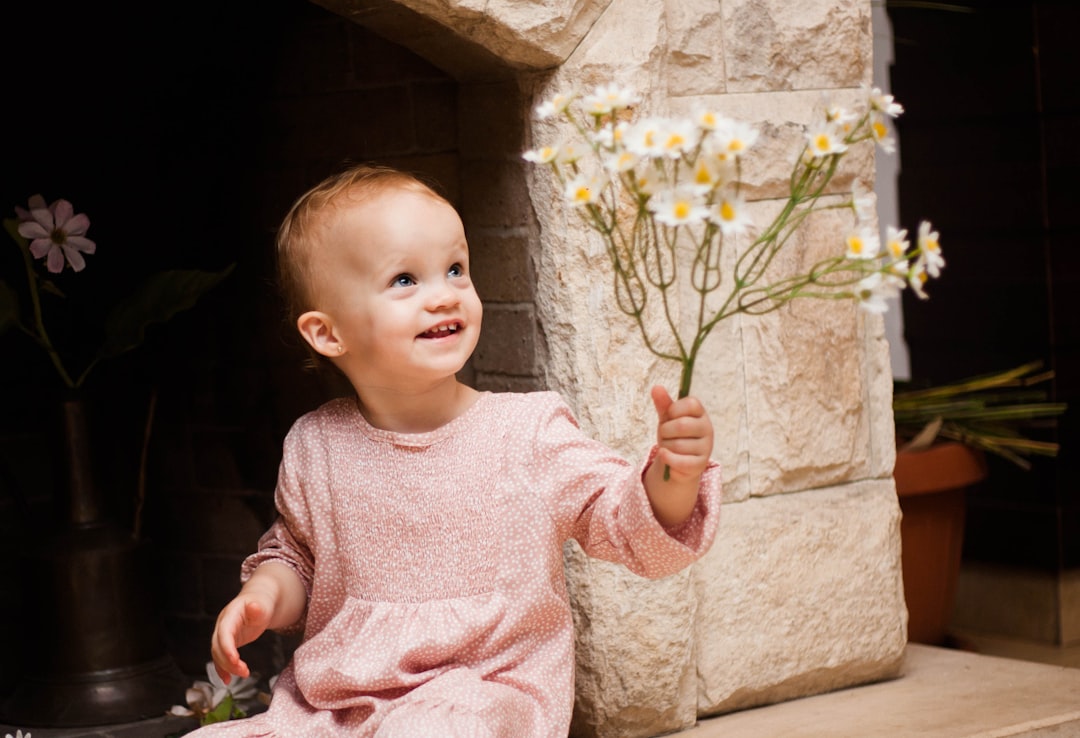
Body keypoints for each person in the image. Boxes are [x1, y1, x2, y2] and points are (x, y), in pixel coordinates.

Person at [189, 163, 722, 737]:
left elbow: (623, 522)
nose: (443, 295)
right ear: (327, 333)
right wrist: (263, 598)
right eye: (404, 280)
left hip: (484, 695)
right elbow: (296, 558)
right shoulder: (316, 445)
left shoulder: (527, 432)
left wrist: (674, 475)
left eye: (455, 269)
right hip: (338, 705)